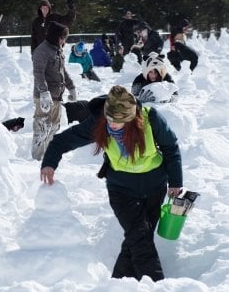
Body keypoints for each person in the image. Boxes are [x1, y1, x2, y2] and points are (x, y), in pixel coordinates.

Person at [40, 85, 183, 282]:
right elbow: (62, 141)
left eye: (119, 121)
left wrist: (175, 181)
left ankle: (119, 284)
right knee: (139, 236)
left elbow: (171, 147)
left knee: (138, 238)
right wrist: (49, 163)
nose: (113, 125)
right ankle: (156, 286)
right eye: (110, 119)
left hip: (154, 186)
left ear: (132, 117)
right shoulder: (99, 123)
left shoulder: (151, 119)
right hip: (121, 189)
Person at [32, 21, 77, 161]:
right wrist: (44, 92)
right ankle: (37, 158)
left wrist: (72, 87)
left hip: (57, 96)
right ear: (56, 36)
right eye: (63, 38)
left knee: (53, 127)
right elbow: (38, 73)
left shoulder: (57, 50)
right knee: (42, 127)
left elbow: (63, 71)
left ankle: (47, 156)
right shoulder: (42, 51)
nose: (64, 41)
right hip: (44, 97)